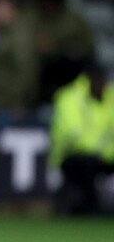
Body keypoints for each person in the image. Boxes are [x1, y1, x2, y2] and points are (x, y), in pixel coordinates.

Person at [48, 62, 114, 215]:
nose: (102, 84)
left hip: (104, 155)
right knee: (87, 163)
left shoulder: (110, 97)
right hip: (70, 156)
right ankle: (90, 208)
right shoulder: (69, 97)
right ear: (89, 79)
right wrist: (101, 151)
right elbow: (72, 134)